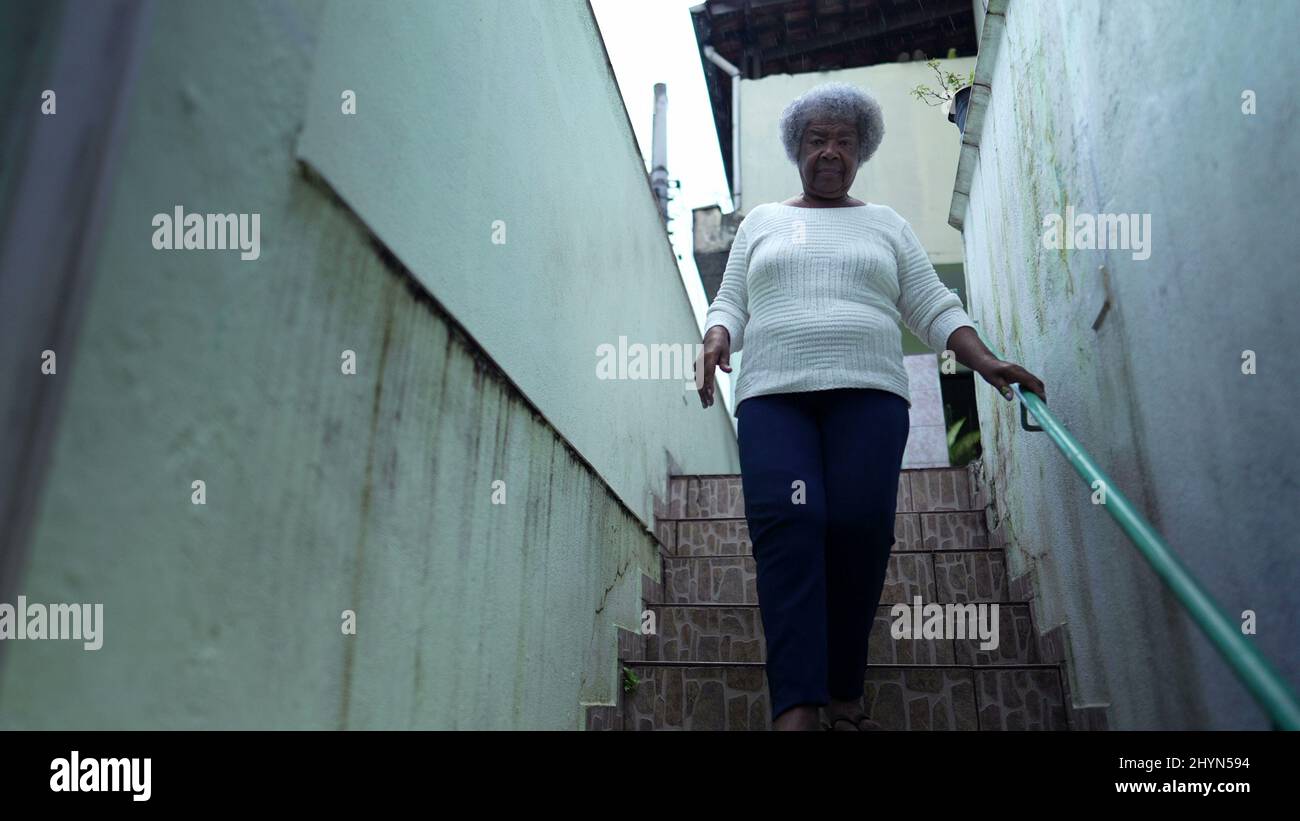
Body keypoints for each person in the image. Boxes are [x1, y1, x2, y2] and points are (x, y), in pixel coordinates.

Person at [697, 81, 1046, 731]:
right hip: (775, 398)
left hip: (870, 397)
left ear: (862, 150)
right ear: (796, 148)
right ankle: (797, 708)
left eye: (844, 141)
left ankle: (845, 687)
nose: (830, 151)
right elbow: (732, 303)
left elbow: (934, 306)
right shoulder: (763, 224)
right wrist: (717, 334)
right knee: (791, 530)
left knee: (860, 529)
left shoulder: (886, 224)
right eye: (816, 140)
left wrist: (988, 360)